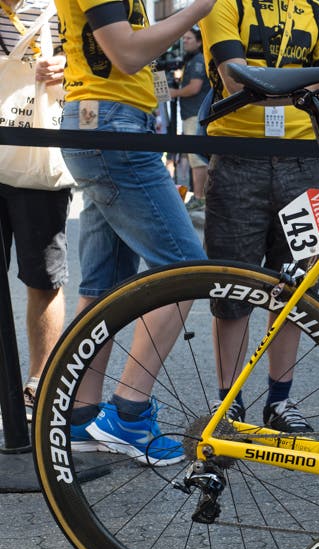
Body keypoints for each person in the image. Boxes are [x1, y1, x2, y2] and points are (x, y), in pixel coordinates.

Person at [201, 0, 319, 431]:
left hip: (304, 164)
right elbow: (237, 81)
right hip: (236, 159)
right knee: (232, 294)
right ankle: (228, 401)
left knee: (299, 290)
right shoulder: (224, 5)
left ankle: (280, 401)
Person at [55, 0, 213, 463]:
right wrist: (197, 10)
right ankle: (128, 413)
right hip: (111, 125)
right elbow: (124, 53)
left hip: (106, 123)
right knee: (186, 271)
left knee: (102, 285)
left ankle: (81, 415)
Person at [0, 0, 71, 424]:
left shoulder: (60, 6)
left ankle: (37, 385)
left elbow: (96, 59)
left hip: (39, 156)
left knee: (43, 277)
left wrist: (65, 67)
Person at [168, 27, 209, 210]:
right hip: (192, 113)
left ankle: (199, 197)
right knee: (195, 159)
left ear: (199, 41)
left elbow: (194, 88)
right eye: (183, 38)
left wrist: (174, 92)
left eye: (189, 38)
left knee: (197, 159)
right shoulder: (191, 61)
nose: (185, 41)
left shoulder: (198, 60)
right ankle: (200, 196)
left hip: (195, 113)